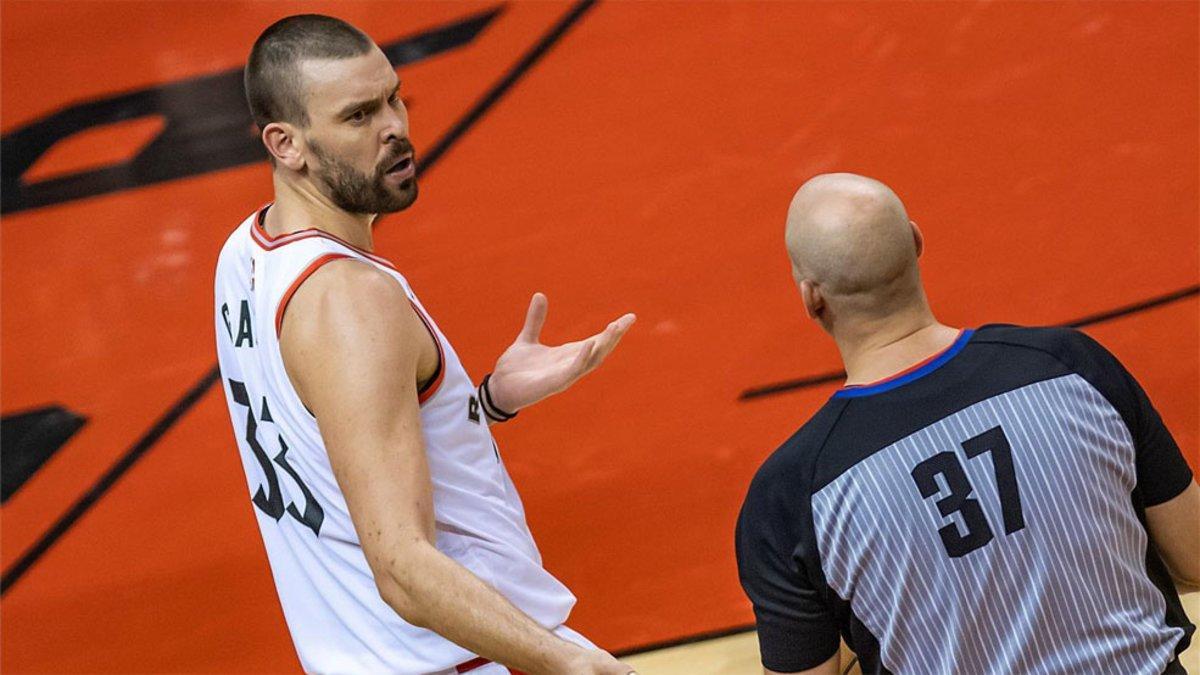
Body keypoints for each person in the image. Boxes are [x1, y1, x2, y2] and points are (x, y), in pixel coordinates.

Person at [214, 15, 636, 675]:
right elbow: (402, 569)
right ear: (285, 143)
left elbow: (332, 430)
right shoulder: (353, 300)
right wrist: (565, 663)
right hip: (458, 659)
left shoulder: (245, 254)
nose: (396, 128)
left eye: (393, 98)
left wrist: (482, 401)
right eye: (358, 116)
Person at [735, 173, 1199, 674]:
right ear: (916, 242)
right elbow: (1194, 557)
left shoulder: (791, 492)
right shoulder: (1072, 366)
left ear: (811, 297)